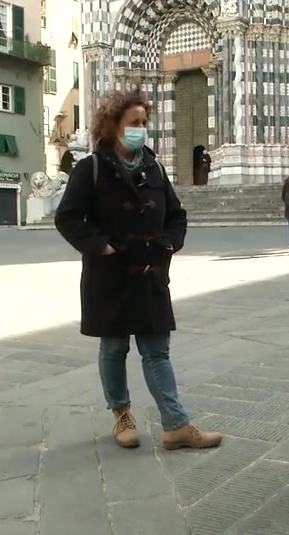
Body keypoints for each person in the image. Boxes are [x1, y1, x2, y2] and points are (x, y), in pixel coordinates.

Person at [54, 88, 222, 451]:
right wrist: (102, 245)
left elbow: (176, 214)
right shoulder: (91, 168)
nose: (141, 129)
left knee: (157, 351)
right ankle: (121, 415)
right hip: (109, 275)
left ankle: (176, 424)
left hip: (150, 274)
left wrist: (169, 243)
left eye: (145, 123)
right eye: (134, 123)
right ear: (114, 126)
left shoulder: (154, 166)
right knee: (114, 349)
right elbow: (67, 217)